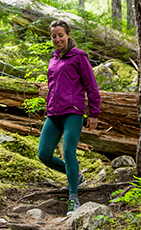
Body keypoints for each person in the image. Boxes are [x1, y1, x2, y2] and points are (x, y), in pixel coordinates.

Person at [38, 19, 101, 216]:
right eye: (53, 36)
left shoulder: (79, 57)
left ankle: (74, 197)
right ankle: (76, 175)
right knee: (44, 154)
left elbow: (91, 86)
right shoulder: (53, 60)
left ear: (68, 35)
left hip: (73, 112)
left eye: (60, 35)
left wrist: (93, 113)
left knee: (68, 151)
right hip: (54, 113)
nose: (57, 39)